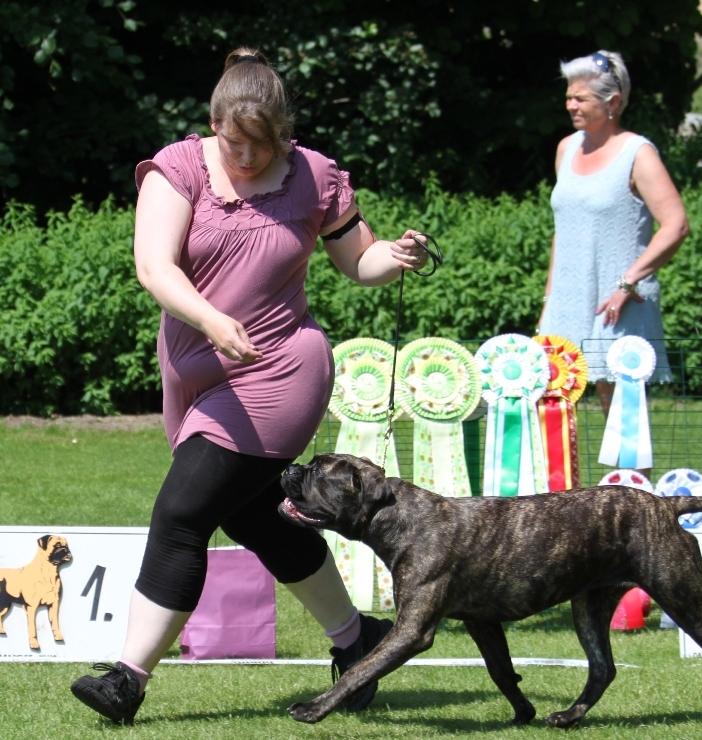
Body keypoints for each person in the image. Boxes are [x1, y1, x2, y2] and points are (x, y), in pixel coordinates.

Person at [70, 48, 432, 724]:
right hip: (198, 373)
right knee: (256, 517)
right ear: (214, 125)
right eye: (233, 143)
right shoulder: (178, 169)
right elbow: (153, 266)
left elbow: (360, 260)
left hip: (279, 371)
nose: (244, 158)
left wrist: (397, 256)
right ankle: (359, 639)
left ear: (284, 136)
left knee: (183, 512)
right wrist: (211, 320)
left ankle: (127, 679)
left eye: (259, 148)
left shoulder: (313, 176)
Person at [537, 50, 688, 414]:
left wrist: (628, 282)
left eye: (580, 98)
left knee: (621, 408)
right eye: (568, 97)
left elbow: (676, 225)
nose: (570, 105)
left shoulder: (638, 153)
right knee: (554, 402)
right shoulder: (566, 149)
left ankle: (630, 461)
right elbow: (563, 229)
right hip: (567, 299)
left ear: (613, 102)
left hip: (618, 301)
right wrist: (548, 300)